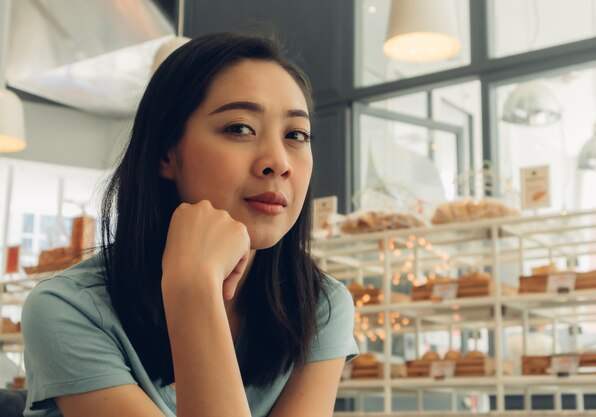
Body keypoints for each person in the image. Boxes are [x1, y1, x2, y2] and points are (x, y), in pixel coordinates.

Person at [21, 32, 358, 417]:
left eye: (295, 134)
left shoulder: (319, 304)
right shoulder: (68, 309)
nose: (278, 162)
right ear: (167, 153)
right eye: (240, 128)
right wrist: (193, 286)